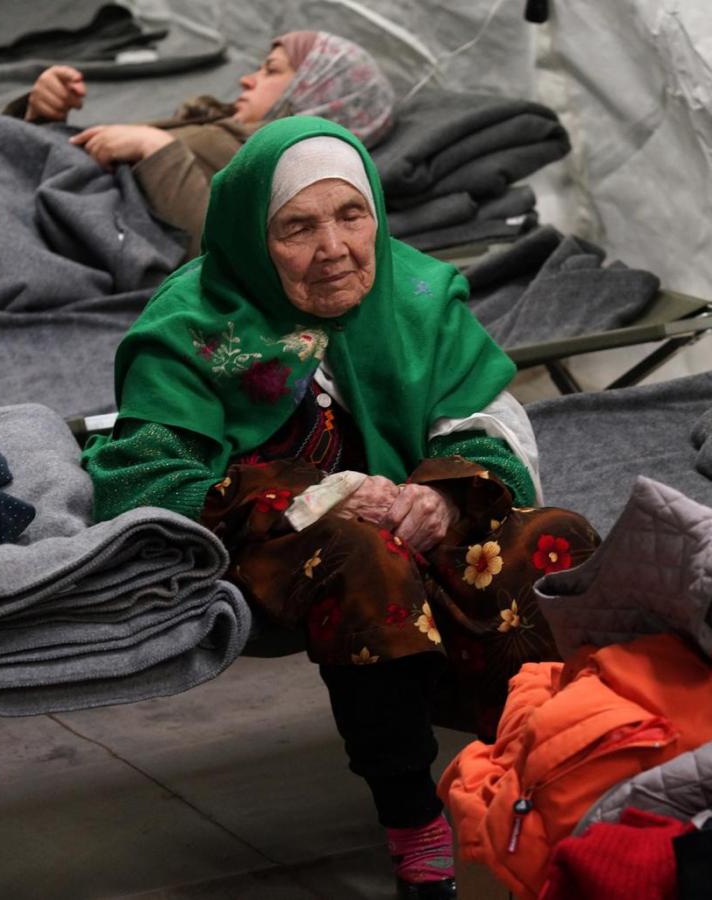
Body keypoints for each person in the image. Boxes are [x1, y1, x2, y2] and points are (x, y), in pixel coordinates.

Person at [81, 115, 599, 899]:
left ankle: (555, 758)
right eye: (298, 227)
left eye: (352, 216)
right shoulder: (193, 325)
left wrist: (440, 497)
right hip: (274, 536)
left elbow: (491, 428)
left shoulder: (417, 293)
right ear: (254, 236)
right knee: (365, 559)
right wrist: (316, 496)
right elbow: (148, 480)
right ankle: (411, 815)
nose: (335, 248)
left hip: (408, 510)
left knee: (556, 537)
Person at [8, 30, 396, 259]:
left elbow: (223, 257)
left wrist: (157, 150)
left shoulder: (285, 167)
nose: (246, 80)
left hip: (57, 219)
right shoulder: (224, 127)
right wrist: (41, 114)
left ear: (316, 92)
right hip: (38, 188)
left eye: (271, 70)